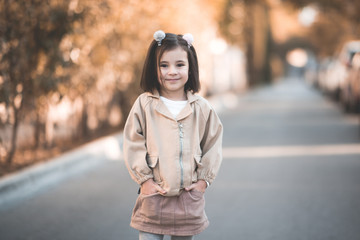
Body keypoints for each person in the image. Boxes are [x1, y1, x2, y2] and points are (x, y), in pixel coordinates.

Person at [123, 30, 223, 240]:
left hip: (188, 196)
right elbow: (133, 141)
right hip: (154, 193)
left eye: (179, 65)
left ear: (190, 67)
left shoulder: (201, 108)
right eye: (164, 65)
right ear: (154, 67)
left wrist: (203, 181)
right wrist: (144, 180)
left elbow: (213, 145)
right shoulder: (144, 104)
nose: (172, 72)